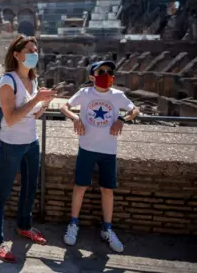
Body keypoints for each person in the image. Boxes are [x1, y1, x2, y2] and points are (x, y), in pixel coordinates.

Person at [0, 35, 55, 263]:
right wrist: (36, 97)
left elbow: (33, 115)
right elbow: (12, 117)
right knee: (2, 193)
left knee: (30, 187)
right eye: (29, 50)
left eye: (35, 49)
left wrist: (43, 104)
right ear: (17, 55)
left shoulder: (33, 79)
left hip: (31, 142)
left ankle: (24, 226)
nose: (34, 53)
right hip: (11, 144)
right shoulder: (8, 81)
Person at [60, 61, 139, 253]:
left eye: (109, 71)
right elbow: (64, 106)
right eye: (101, 71)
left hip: (109, 151)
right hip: (86, 148)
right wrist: (76, 117)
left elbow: (135, 110)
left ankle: (107, 228)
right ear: (91, 77)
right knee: (80, 187)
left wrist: (121, 119)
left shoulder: (117, 95)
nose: (106, 74)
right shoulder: (85, 93)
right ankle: (73, 224)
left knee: (107, 190)